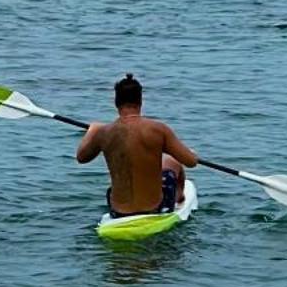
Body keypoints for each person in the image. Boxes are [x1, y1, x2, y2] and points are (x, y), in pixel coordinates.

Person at [75, 74, 199, 217]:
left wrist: (92, 131)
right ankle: (179, 198)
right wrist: (190, 153)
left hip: (118, 212)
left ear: (116, 102)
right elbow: (191, 162)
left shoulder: (103, 132)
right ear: (141, 102)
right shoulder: (158, 129)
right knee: (172, 161)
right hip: (154, 208)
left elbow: (81, 157)